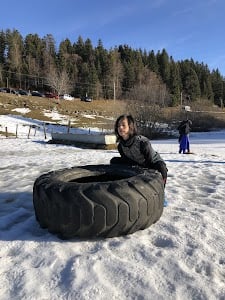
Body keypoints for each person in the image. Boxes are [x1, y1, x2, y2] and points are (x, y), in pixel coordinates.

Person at [110, 114, 168, 187]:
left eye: (123, 125)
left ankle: (160, 189)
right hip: (136, 164)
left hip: (152, 164)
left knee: (161, 167)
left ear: (130, 127)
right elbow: (126, 161)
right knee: (114, 161)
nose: (120, 127)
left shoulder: (142, 142)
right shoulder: (121, 146)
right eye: (118, 125)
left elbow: (149, 162)